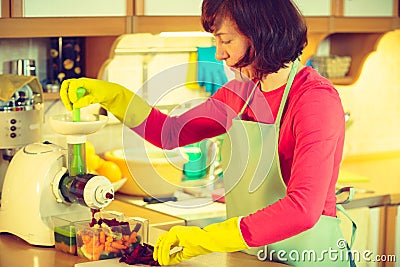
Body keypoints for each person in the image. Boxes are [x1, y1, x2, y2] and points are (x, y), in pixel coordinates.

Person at [60, 0, 356, 266]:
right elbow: (170, 132)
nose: (218, 53)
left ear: (262, 34)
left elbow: (303, 209)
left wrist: (206, 238)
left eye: (225, 39)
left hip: (308, 259)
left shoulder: (315, 100)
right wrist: (113, 96)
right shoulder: (240, 94)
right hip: (250, 258)